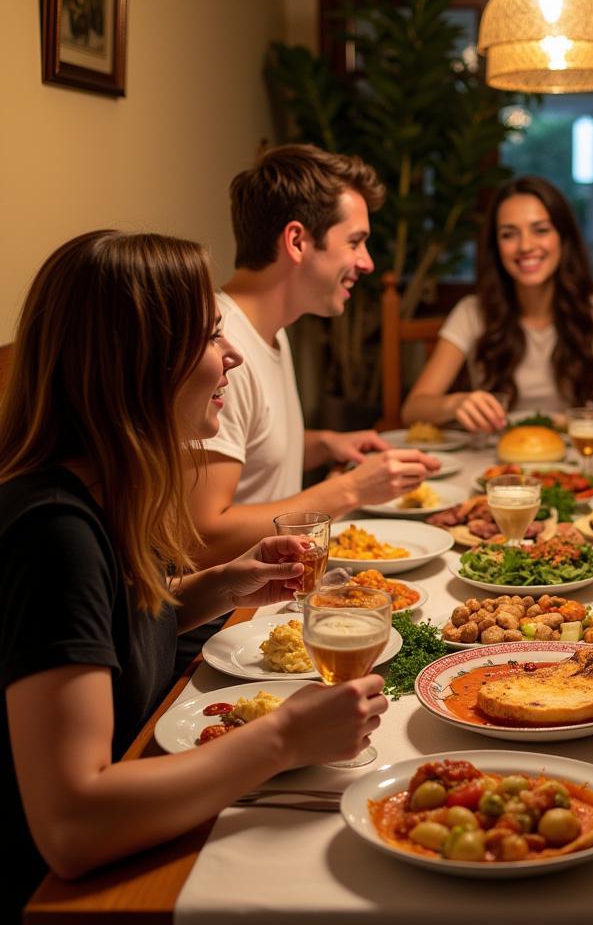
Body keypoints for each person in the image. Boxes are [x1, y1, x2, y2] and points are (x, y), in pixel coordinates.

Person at [0, 231, 387, 918]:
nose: (232, 354)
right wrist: (285, 738)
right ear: (141, 364)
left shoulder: (107, 492)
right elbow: (71, 826)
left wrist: (216, 588)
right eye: (210, 338)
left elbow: (102, 635)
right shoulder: (52, 533)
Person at [189, 144, 438, 569]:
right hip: (231, 614)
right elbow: (202, 537)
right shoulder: (221, 348)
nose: (367, 263)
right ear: (298, 241)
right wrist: (351, 490)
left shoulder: (269, 331)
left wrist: (324, 444)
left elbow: (246, 454)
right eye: (355, 242)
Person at [401, 175, 593, 432]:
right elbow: (412, 411)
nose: (525, 246)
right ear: (496, 246)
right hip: (495, 465)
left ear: (563, 238)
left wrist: (566, 423)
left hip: (576, 463)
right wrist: (455, 404)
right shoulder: (472, 312)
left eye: (541, 230)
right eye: (509, 234)